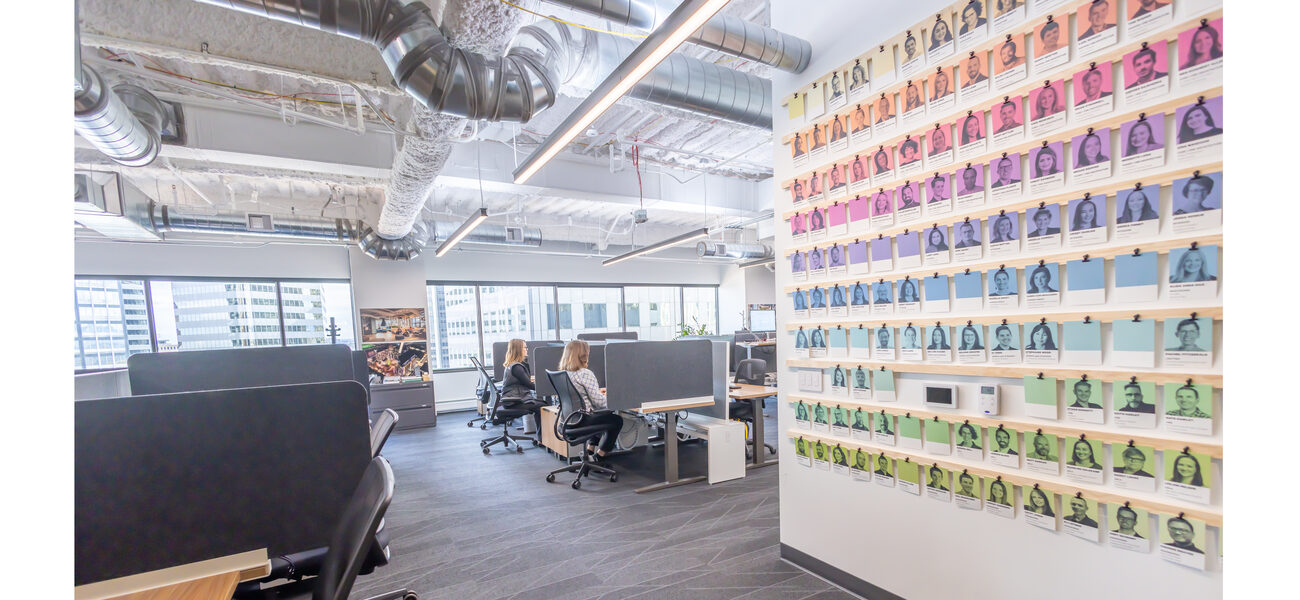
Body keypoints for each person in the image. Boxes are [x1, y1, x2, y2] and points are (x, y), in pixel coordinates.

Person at [560, 340, 623, 460]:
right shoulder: (585, 373)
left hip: (569, 420)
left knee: (598, 415)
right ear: (583, 355)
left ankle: (590, 450)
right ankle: (600, 455)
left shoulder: (565, 373)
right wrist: (614, 398)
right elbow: (599, 403)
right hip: (583, 420)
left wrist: (598, 392)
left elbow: (582, 396)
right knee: (616, 420)